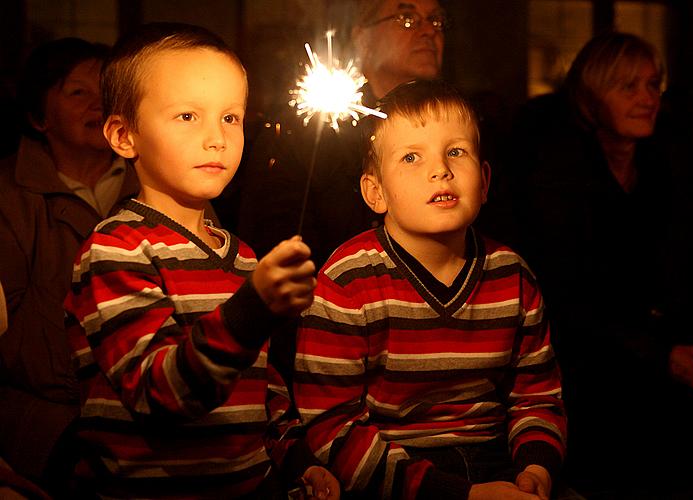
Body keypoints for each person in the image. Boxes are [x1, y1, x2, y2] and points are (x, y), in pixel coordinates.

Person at [63, 23, 338, 499]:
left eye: (231, 118)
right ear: (124, 135)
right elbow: (158, 393)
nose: (217, 138)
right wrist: (249, 312)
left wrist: (295, 457)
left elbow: (261, 388)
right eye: (188, 116)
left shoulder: (246, 256)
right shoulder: (116, 249)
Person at [487, 32, 693, 495]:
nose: (647, 98)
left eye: (652, 85)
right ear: (591, 94)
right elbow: (565, 295)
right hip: (592, 367)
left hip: (667, 350)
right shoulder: (558, 177)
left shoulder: (668, 165)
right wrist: (659, 356)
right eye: (628, 87)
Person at [294, 80, 566, 500]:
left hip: (496, 459)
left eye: (456, 151)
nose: (440, 169)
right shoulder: (347, 281)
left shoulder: (511, 274)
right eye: (411, 157)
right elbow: (331, 426)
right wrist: (456, 494)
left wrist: (536, 468)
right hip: (389, 468)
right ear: (375, 192)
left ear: (486, 180)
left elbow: (537, 397)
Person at [0, 37, 139, 496]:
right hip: (44, 419)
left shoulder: (158, 181)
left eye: (105, 89)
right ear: (38, 116)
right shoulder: (10, 197)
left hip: (150, 408)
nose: (97, 102)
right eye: (76, 92)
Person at [230, 0, 447, 269]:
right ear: (362, 37)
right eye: (406, 18)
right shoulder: (307, 131)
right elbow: (270, 237)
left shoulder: (458, 126)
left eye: (436, 20)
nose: (429, 30)